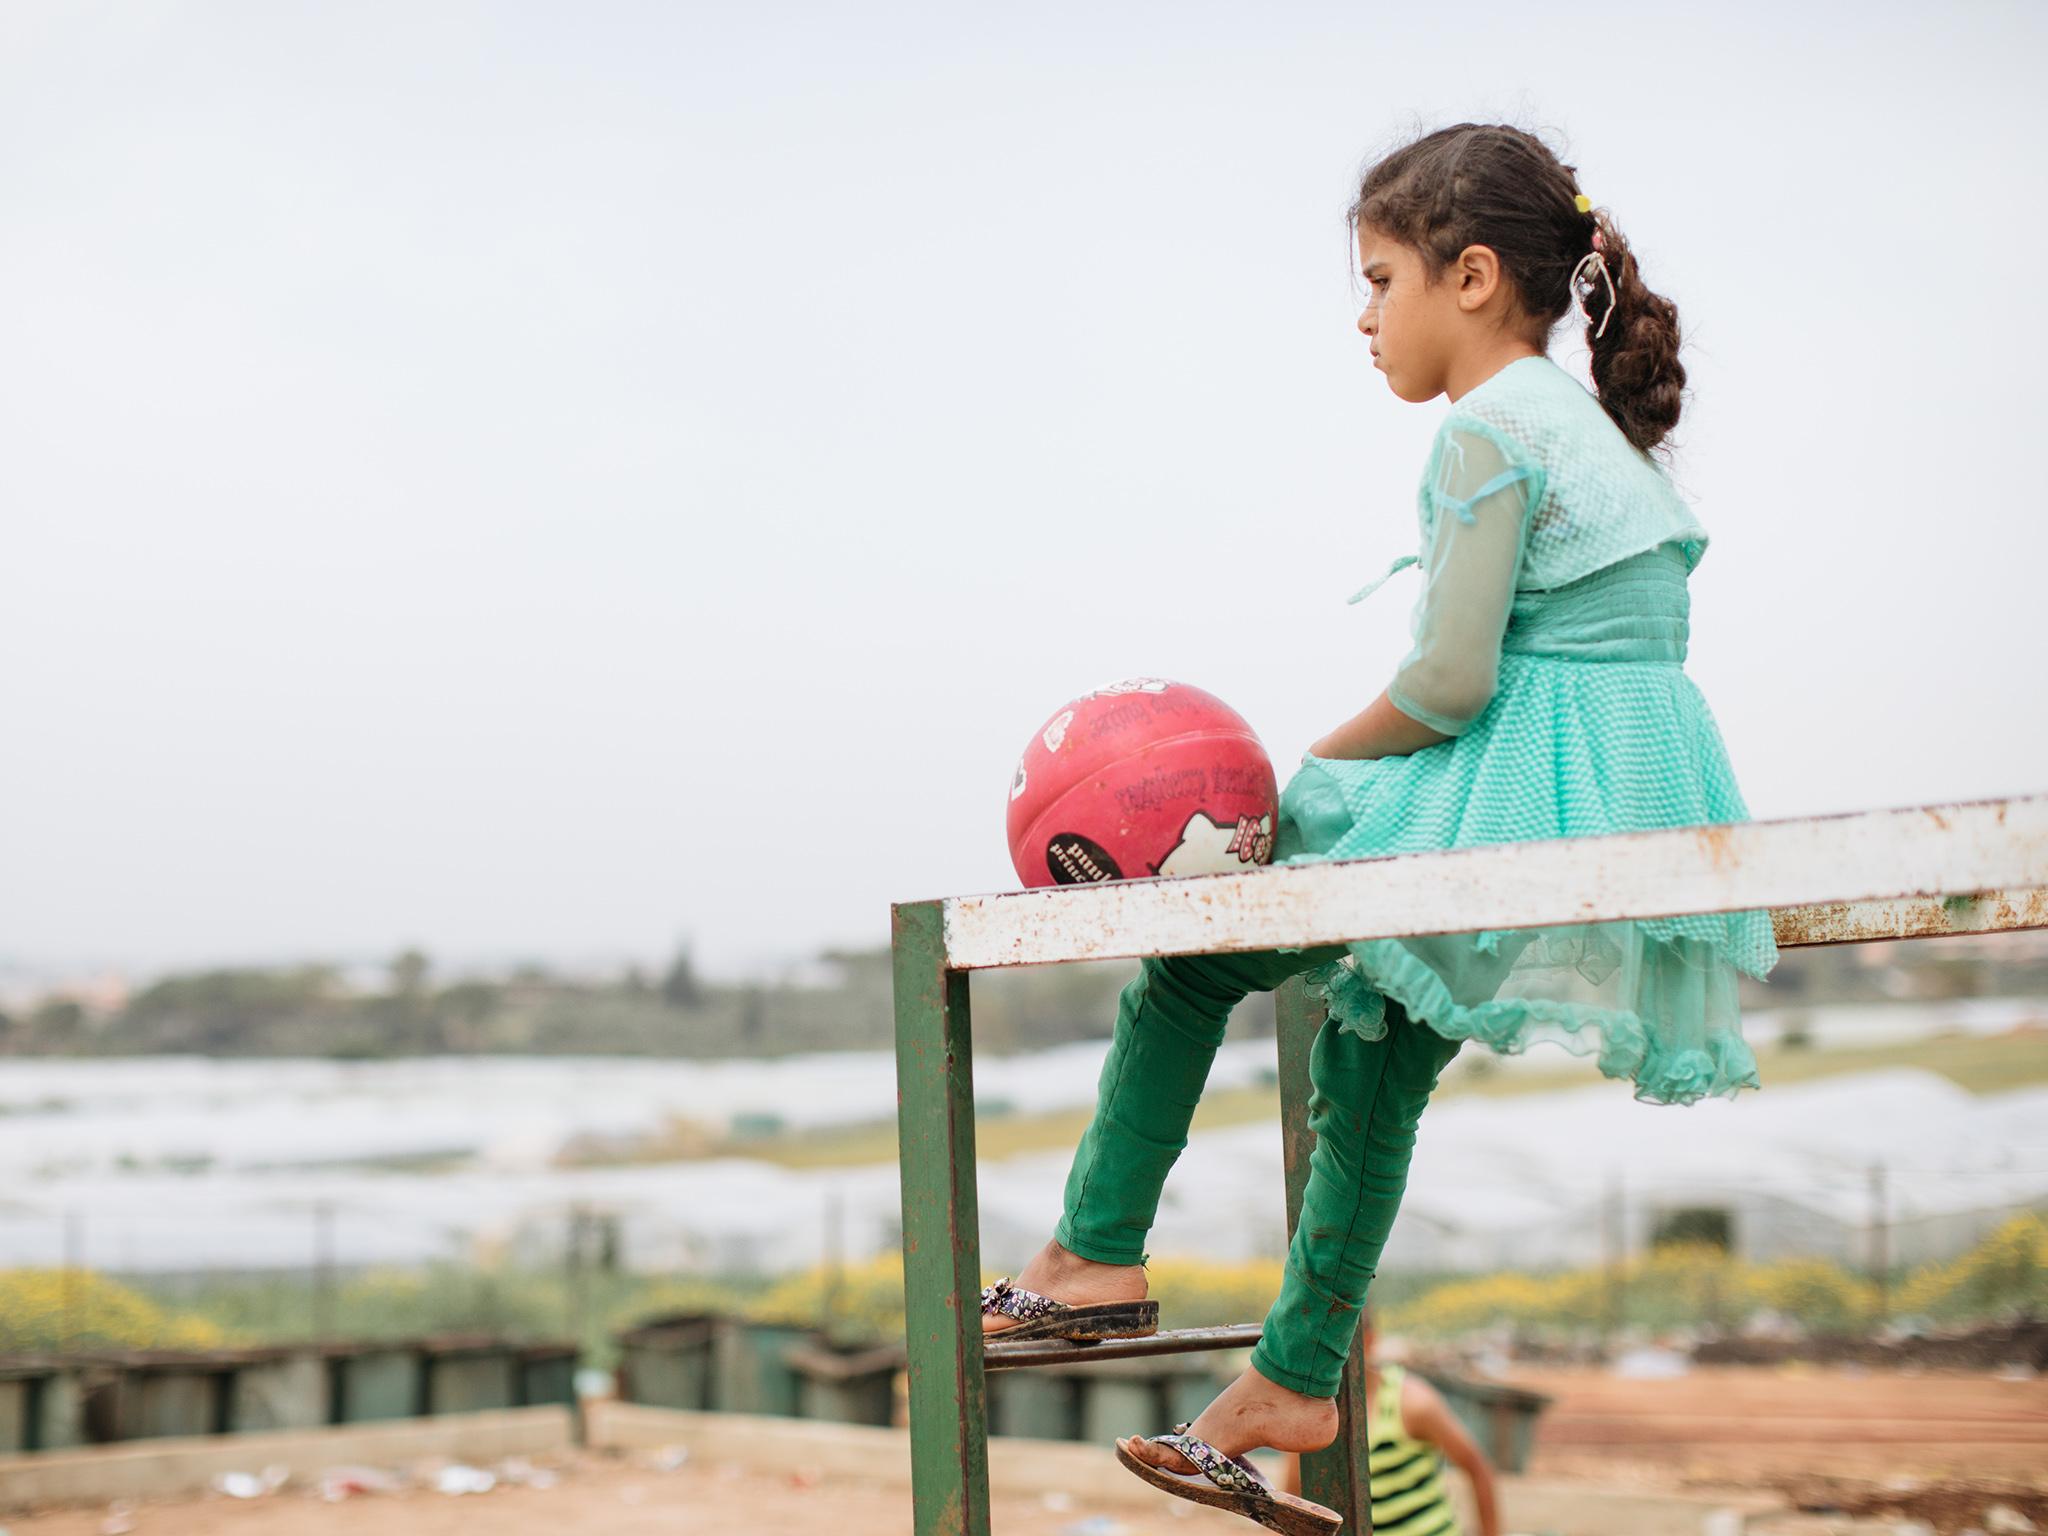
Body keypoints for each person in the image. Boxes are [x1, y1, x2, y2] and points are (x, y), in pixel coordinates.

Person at [979, 122, 1777, 1533]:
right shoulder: (1598, 434)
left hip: (1514, 783)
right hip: (1621, 789)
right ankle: (1290, 1378)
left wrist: (1304, 776)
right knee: (1379, 1049)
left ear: (1472, 278)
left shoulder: (1489, 430)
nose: (1363, 319)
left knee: (1188, 964)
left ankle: (1093, 1254)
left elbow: (1450, 682)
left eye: (1380, 280)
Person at [1276, 1312, 1500, 1536]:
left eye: (1336, 1342)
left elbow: (1477, 1467)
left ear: (1369, 1339)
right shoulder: (1308, 1417)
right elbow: (1291, 1502)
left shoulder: (1411, 1402)